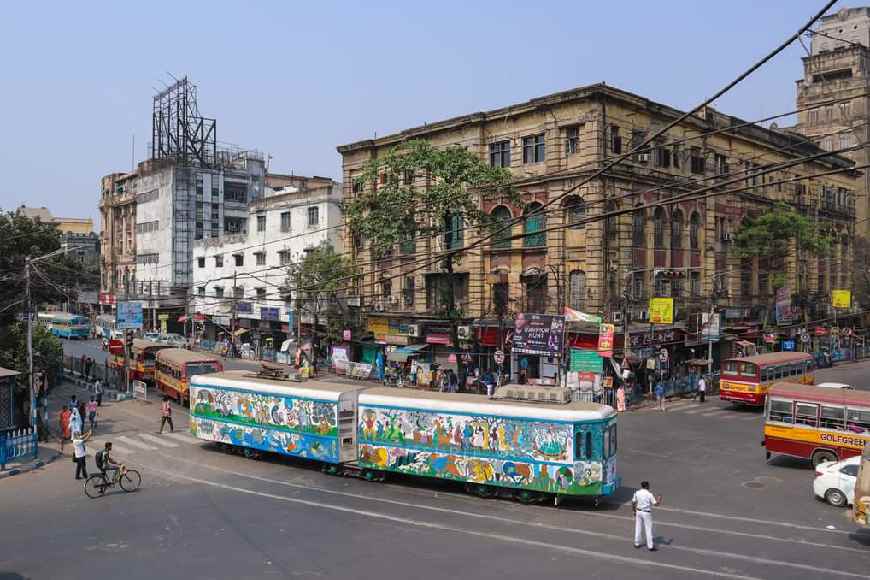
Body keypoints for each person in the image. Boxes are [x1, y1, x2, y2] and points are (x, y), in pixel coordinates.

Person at [632, 481, 662, 551]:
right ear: (647, 486)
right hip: (646, 513)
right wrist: (659, 499)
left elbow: (633, 502)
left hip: (638, 511)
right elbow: (656, 504)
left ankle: (637, 543)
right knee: (648, 529)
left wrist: (633, 511)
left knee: (638, 527)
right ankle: (650, 546)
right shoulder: (649, 494)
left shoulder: (637, 493)